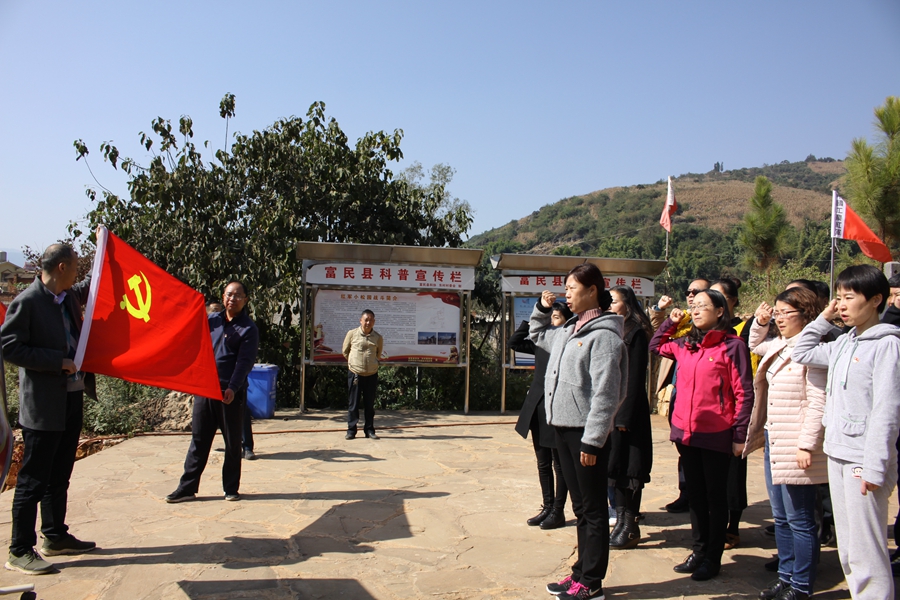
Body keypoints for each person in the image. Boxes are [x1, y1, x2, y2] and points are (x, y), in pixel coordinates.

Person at [792, 265, 900, 599]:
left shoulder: (887, 347)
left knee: (867, 548)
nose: (841, 305)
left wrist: (875, 466)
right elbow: (802, 351)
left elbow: (887, 412)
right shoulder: (844, 344)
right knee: (850, 548)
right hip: (838, 453)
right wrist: (824, 317)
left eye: (848, 298)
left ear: (876, 300)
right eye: (838, 298)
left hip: (862, 460)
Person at [531, 264, 627, 600]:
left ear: (591, 291)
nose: (567, 293)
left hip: (585, 434)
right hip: (563, 430)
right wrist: (542, 309)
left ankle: (591, 583)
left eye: (572, 288)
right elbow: (536, 334)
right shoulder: (570, 329)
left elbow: (607, 393)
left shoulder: (604, 337)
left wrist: (594, 438)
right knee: (581, 508)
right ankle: (579, 574)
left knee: (594, 509)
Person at [0, 244, 96, 574]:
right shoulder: (28, 302)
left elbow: (88, 289)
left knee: (60, 474)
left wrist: (105, 253)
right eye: (74, 268)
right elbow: (9, 346)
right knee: (33, 478)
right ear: (60, 268)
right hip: (43, 405)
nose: (77, 274)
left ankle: (55, 535)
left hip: (71, 397)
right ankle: (19, 549)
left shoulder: (67, 295)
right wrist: (56, 363)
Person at [650, 289, 754, 581]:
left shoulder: (732, 346)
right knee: (694, 495)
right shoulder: (685, 344)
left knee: (714, 497)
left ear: (720, 311)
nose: (695, 311)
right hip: (685, 431)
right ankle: (698, 550)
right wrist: (671, 322)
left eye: (702, 307)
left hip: (717, 432)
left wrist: (739, 434)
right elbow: (656, 345)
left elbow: (744, 393)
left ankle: (712, 557)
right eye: (692, 307)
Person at [745, 287, 830, 600]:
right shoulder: (780, 344)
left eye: (785, 313)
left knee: (801, 519)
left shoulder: (812, 350)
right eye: (777, 312)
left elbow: (818, 401)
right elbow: (755, 345)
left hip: (797, 444)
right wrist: (761, 321)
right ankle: (786, 575)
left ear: (805, 313)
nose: (779, 318)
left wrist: (807, 444)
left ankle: (802, 585)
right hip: (775, 438)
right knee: (781, 516)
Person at [166, 281, 259, 503]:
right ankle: (187, 487)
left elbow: (244, 363)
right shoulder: (211, 321)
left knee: (233, 443)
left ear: (245, 300)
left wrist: (233, 388)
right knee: (199, 440)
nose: (232, 299)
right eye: (228, 295)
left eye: (237, 296)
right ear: (223, 296)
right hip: (205, 390)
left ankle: (230, 488)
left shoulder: (248, 328)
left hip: (230, 394)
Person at [509, 302, 573, 530]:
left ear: (567, 320)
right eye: (549, 317)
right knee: (543, 462)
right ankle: (546, 507)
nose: (551, 321)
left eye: (555, 317)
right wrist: (532, 319)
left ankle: (558, 510)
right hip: (537, 407)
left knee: (559, 464)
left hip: (555, 408)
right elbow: (514, 342)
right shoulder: (541, 342)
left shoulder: (568, 342)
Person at [651, 278, 710, 513]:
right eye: (688, 291)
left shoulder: (725, 336)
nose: (690, 295)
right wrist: (662, 311)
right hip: (680, 392)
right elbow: (656, 337)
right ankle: (687, 493)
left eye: (696, 292)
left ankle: (703, 497)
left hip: (705, 400)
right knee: (682, 445)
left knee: (703, 451)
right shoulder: (682, 317)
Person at [606, 285, 653, 549]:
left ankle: (630, 524)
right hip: (612, 410)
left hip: (629, 413)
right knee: (615, 470)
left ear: (627, 303)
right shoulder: (611, 329)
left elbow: (634, 378)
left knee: (630, 469)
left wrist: (623, 417)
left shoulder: (635, 332)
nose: (610, 305)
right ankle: (621, 520)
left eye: (614, 301)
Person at [710, 278, 753, 550]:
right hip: (708, 418)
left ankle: (732, 526)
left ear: (731, 302)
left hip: (732, 414)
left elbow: (743, 385)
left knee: (734, 474)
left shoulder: (743, 330)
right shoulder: (701, 331)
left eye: (717, 296)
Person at [343, 309, 383, 440]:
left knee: (369, 405)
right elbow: (345, 351)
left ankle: (369, 430)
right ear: (360, 320)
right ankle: (351, 430)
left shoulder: (377, 337)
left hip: (371, 374)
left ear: (374, 322)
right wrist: (354, 364)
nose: (368, 322)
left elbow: (378, 354)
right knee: (353, 404)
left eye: (371, 320)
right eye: (366, 319)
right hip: (355, 374)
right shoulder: (352, 334)